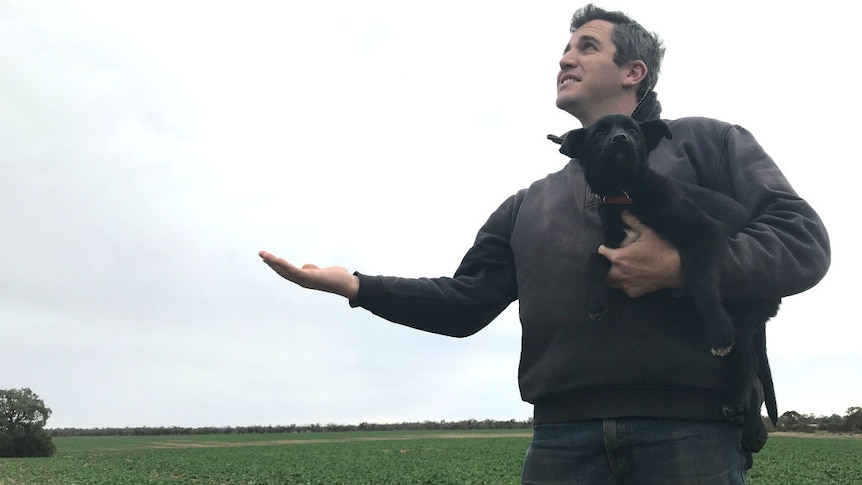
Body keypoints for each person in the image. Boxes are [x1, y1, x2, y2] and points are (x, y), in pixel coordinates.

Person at [259, 4, 830, 484]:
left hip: (690, 434)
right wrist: (357, 287)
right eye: (564, 49)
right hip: (561, 441)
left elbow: (802, 241)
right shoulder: (528, 203)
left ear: (634, 71)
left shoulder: (707, 143)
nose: (564, 59)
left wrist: (683, 267)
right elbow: (465, 303)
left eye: (585, 46)